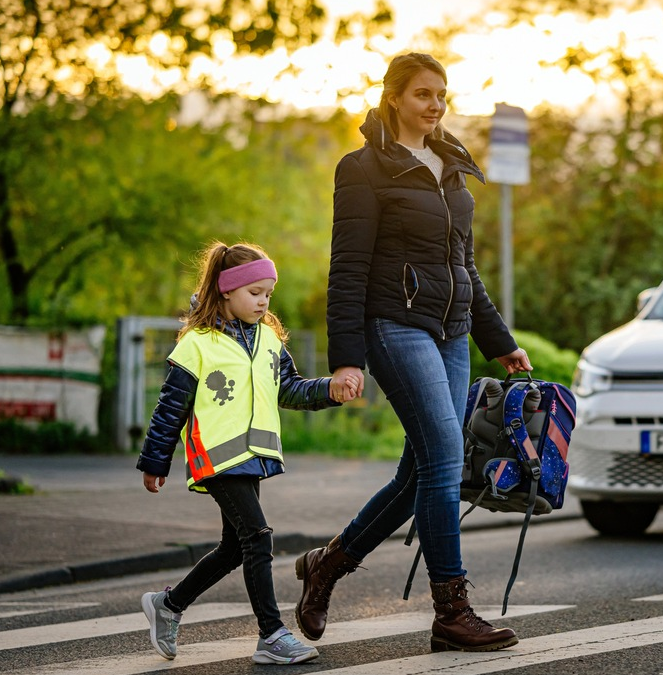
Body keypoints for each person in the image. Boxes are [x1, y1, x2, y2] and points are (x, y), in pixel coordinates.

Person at [294, 52, 532, 653]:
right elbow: (348, 268)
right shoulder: (363, 169)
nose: (435, 105)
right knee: (446, 457)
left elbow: (464, 268)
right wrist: (346, 358)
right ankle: (452, 611)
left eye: (442, 94)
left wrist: (498, 341)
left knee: (418, 474)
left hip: (451, 332)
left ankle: (327, 565)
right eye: (423, 93)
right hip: (394, 326)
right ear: (394, 97)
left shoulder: (451, 167)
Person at [136, 241, 338, 665]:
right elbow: (171, 407)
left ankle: (168, 605)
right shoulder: (197, 343)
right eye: (254, 292)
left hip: (252, 455)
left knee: (234, 547)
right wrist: (155, 460)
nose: (264, 301)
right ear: (227, 290)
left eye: (268, 293)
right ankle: (271, 635)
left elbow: (289, 389)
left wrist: (330, 390)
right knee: (258, 536)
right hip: (215, 457)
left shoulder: (269, 339)